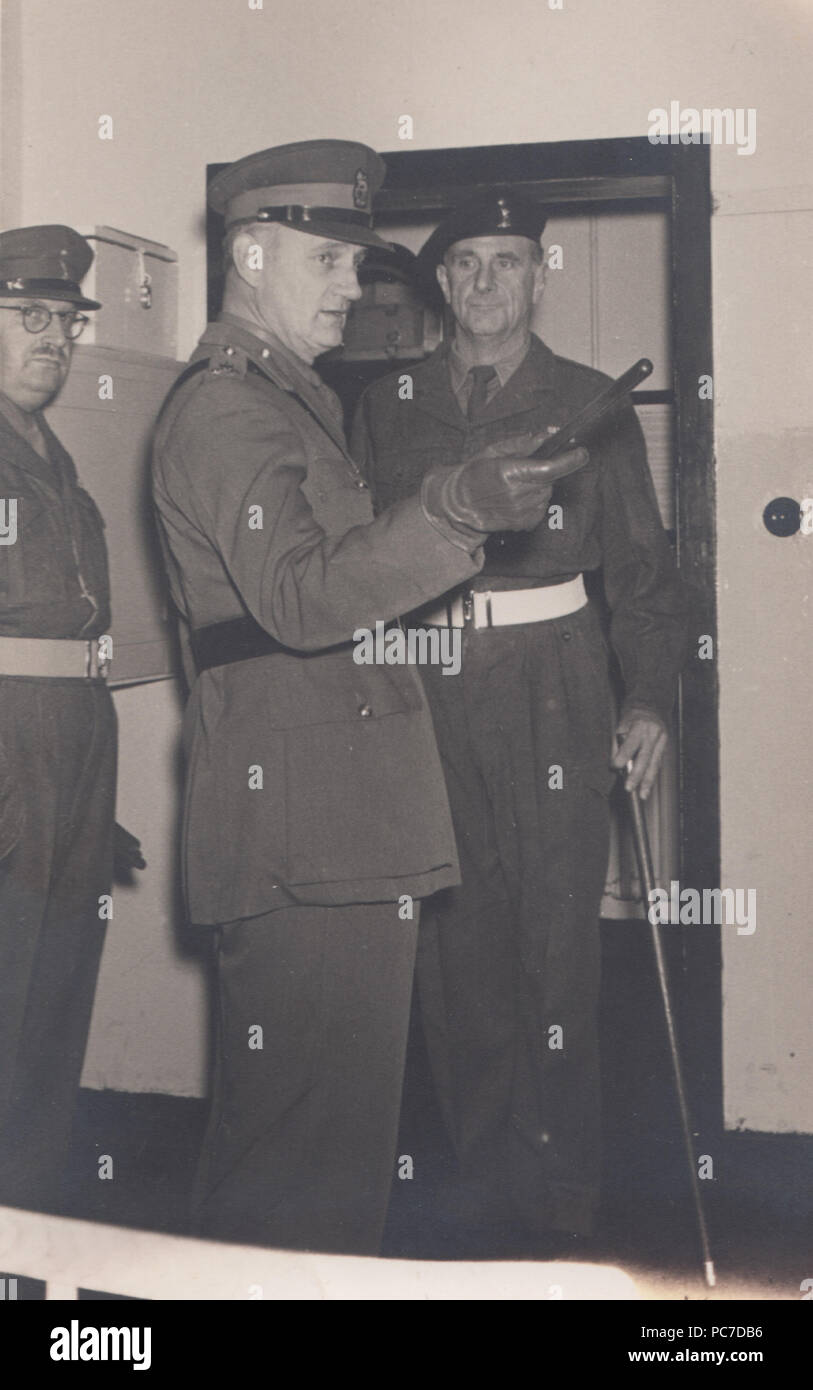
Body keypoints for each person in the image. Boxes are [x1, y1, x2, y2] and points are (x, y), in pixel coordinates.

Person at [151, 142, 587, 1254]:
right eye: (332, 260)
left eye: (360, 262)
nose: (359, 286)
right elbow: (301, 599)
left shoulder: (288, 403)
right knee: (298, 1163)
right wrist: (457, 508)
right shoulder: (225, 411)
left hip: (338, 821)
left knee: (323, 1162)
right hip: (309, 828)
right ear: (249, 254)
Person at [352, 190, 688, 1254]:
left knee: (554, 951)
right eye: (467, 266)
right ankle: (478, 1200)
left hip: (555, 684)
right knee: (454, 954)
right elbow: (356, 564)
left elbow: (640, 572)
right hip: (430, 680)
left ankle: (560, 1214)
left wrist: (645, 700)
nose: (486, 283)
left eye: (507, 262)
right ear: (441, 284)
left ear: (541, 277)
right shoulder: (389, 402)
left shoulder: (593, 401)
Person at [0, 225, 142, 1212]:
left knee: (54, 1003)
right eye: (28, 317)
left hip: (71, 747)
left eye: (66, 320)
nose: (55, 336)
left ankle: (28, 1224)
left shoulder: (50, 452)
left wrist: (92, 801)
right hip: (11, 745)